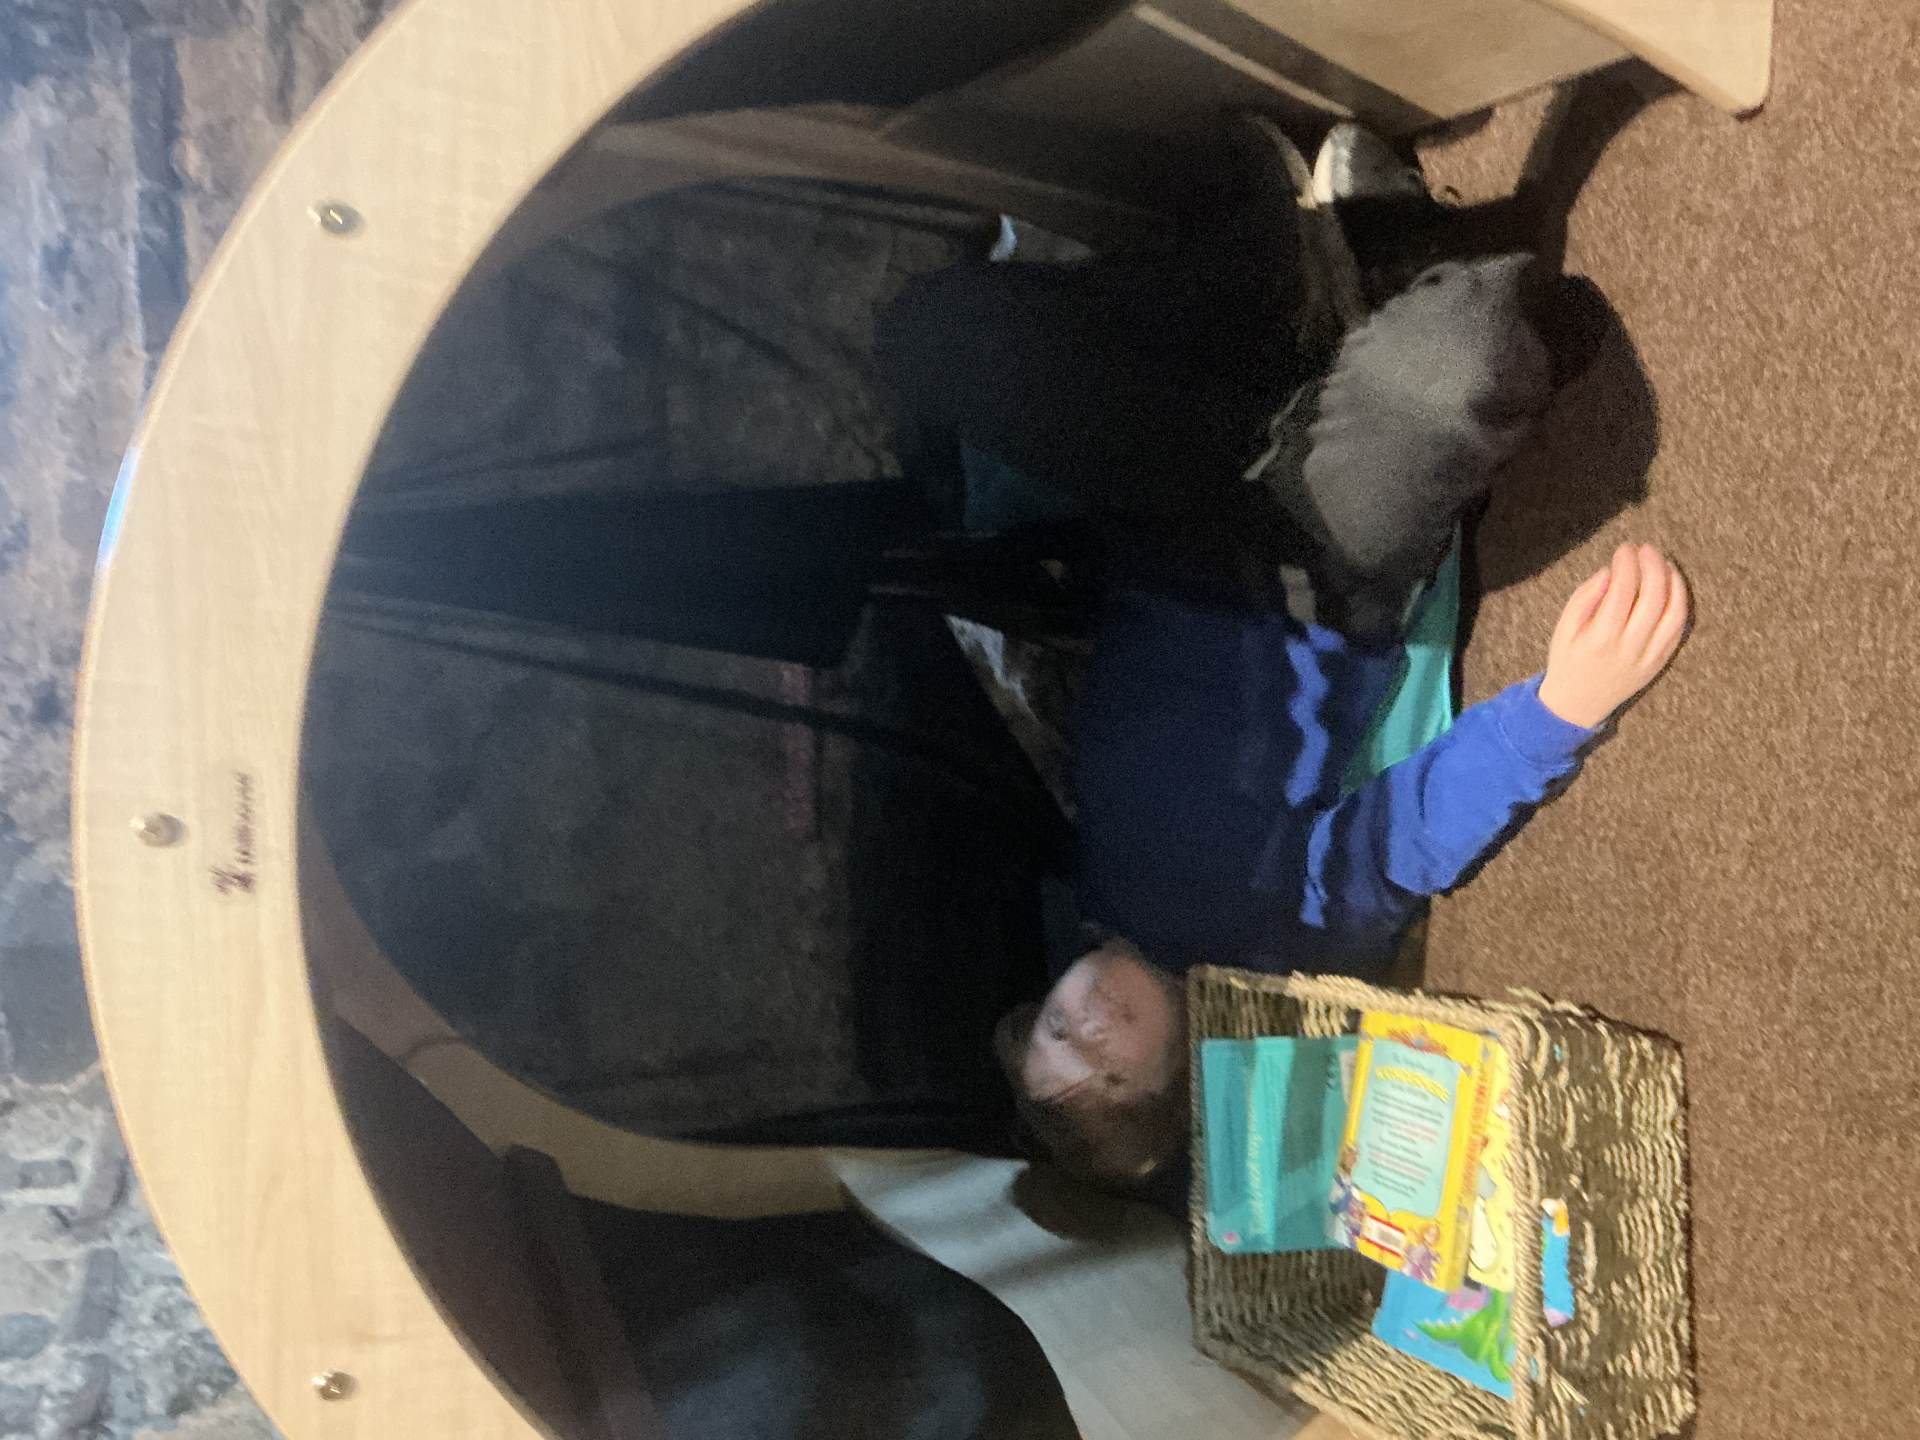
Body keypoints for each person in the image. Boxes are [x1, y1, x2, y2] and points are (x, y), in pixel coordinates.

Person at [881, 120, 1689, 1194]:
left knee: (930, 340)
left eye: (1056, 1029)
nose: (1088, 1024)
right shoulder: (1271, 938)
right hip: (1320, 554)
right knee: (1468, 353)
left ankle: (1305, 275)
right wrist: (1559, 711)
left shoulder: (1101, 887)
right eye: (1107, 1072)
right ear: (1176, 1070)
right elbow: (1404, 839)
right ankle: (1345, 264)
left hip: (1181, 503)